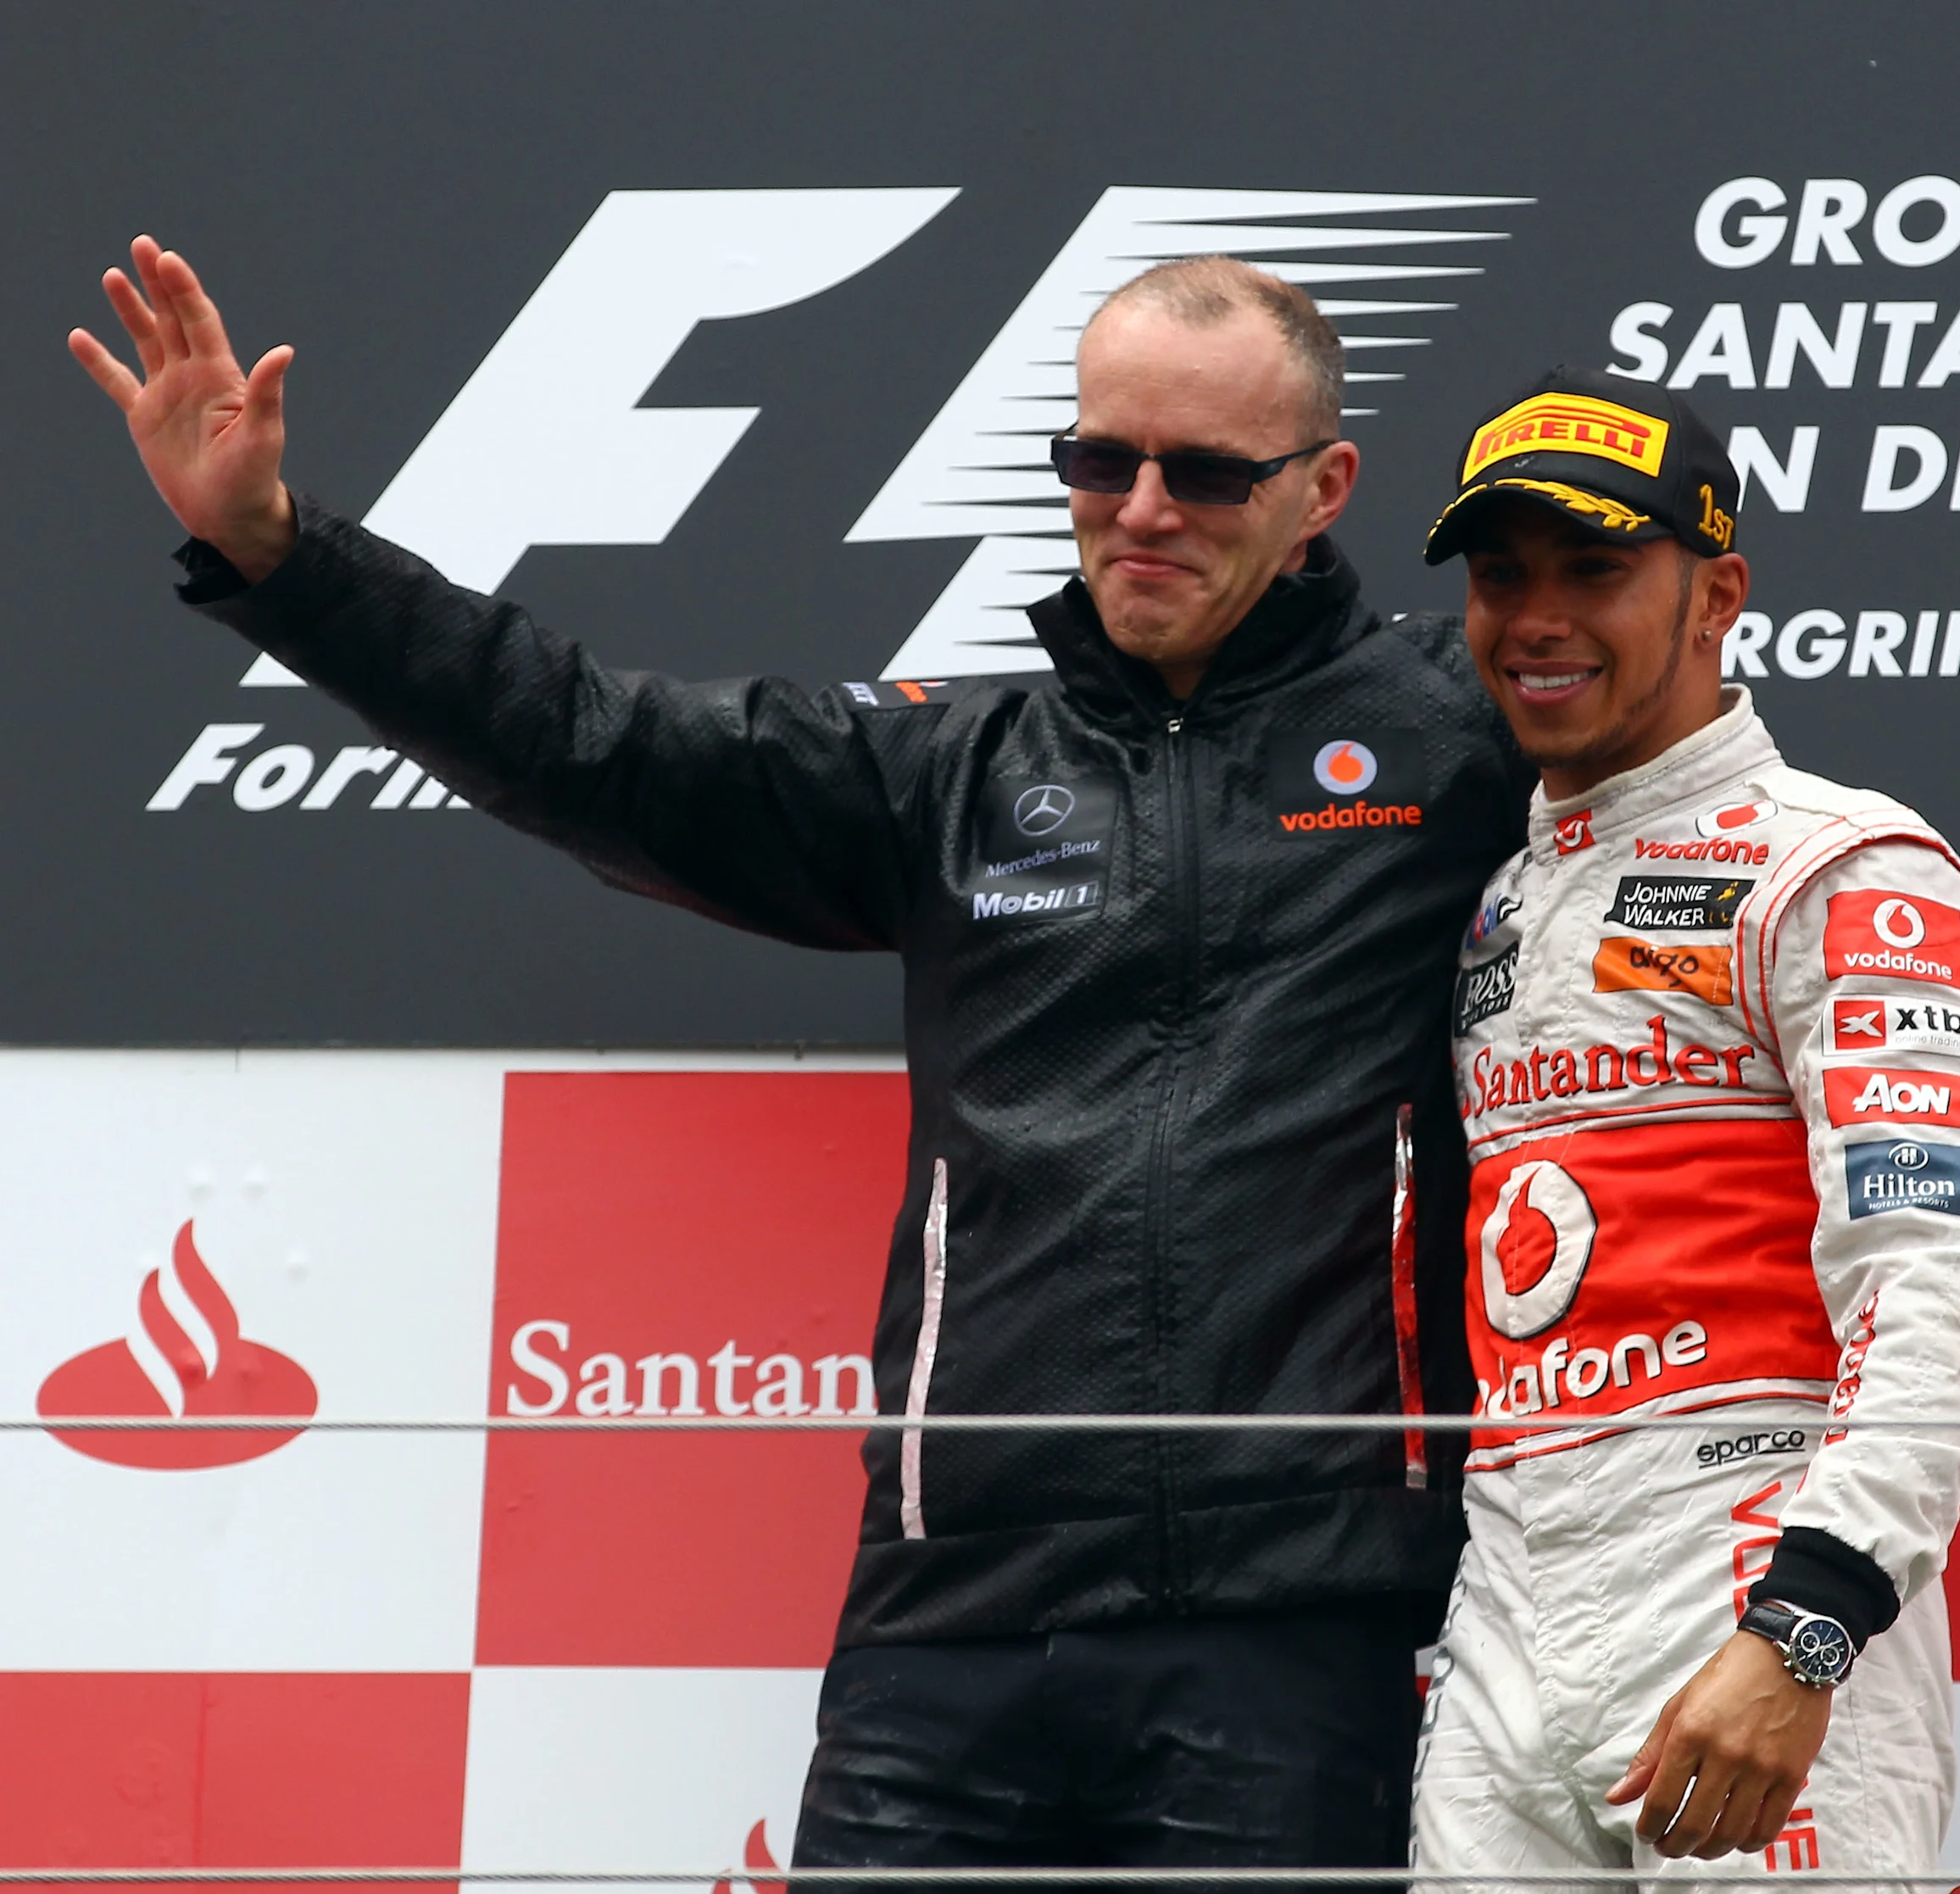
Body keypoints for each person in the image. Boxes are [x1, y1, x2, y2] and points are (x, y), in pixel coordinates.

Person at [70, 238, 1534, 1871]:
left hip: (1301, 1612)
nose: (1140, 509)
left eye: (1203, 471)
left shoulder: (1466, 727)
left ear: (1322, 484)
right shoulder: (958, 764)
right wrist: (278, 553)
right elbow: (591, 741)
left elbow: (1707, 789)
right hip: (952, 1607)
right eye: (1098, 458)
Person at [1409, 370, 1960, 1883]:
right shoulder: (1498, 898)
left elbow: (1943, 1289)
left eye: (1597, 570)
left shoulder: (1843, 867)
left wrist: (1807, 1625)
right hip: (1509, 1590)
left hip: (1749, 1568)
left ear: (1717, 596)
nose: (1538, 617)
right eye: (1503, 576)